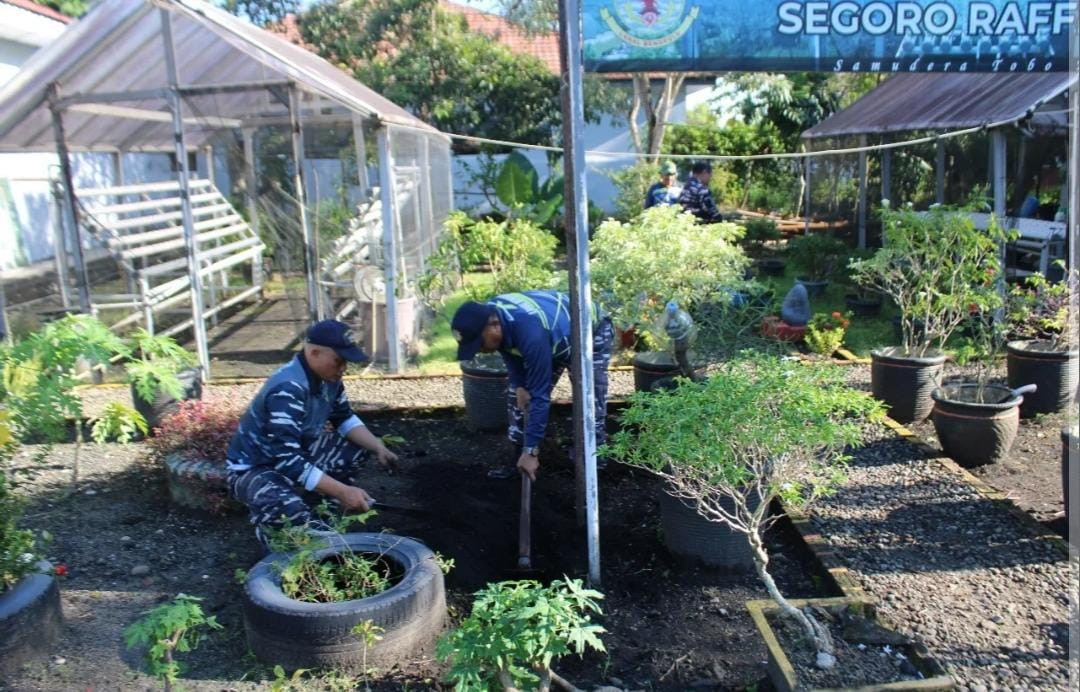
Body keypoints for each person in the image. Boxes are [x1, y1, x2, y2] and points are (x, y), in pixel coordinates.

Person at [225, 319, 398, 547]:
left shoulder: (329, 379)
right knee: (285, 504)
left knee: (355, 449)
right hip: (255, 468)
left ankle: (320, 514)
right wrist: (343, 491)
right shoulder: (287, 389)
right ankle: (277, 538)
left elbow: (344, 417)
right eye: (339, 361)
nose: (343, 368)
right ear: (314, 352)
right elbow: (287, 460)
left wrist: (377, 446)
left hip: (297, 455)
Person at [451, 291, 615, 480]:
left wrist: (532, 451)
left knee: (589, 400)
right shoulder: (492, 316)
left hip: (589, 332)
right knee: (518, 397)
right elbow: (508, 349)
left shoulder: (529, 333)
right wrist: (520, 384)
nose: (480, 349)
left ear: (494, 325)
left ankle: (595, 467)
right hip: (553, 336)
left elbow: (540, 396)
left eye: (479, 343)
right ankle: (519, 460)